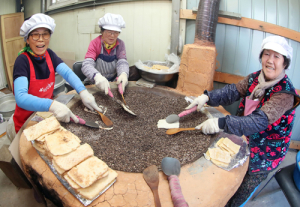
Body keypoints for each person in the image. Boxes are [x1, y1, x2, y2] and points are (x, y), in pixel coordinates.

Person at [186, 35, 300, 207]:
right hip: (244, 138)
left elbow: (259, 121)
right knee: (228, 181)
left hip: (264, 152)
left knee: (240, 191)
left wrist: (221, 123)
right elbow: (232, 92)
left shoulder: (285, 94)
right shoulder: (255, 78)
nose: (270, 61)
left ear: (285, 63)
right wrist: (207, 97)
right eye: (266, 54)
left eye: (276, 56)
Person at [7, 13, 102, 140]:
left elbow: (68, 73)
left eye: (45, 34)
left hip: (46, 117)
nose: (41, 39)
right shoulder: (22, 61)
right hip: (26, 122)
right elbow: (21, 98)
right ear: (27, 39)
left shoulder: (50, 55)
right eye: (35, 34)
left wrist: (83, 91)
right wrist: (53, 105)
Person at [81, 13, 133, 95]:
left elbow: (122, 61)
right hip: (96, 82)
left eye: (116, 32)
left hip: (112, 81)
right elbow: (87, 64)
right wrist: (96, 76)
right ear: (102, 31)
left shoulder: (120, 44)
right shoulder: (95, 43)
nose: (112, 36)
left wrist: (123, 73)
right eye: (109, 32)